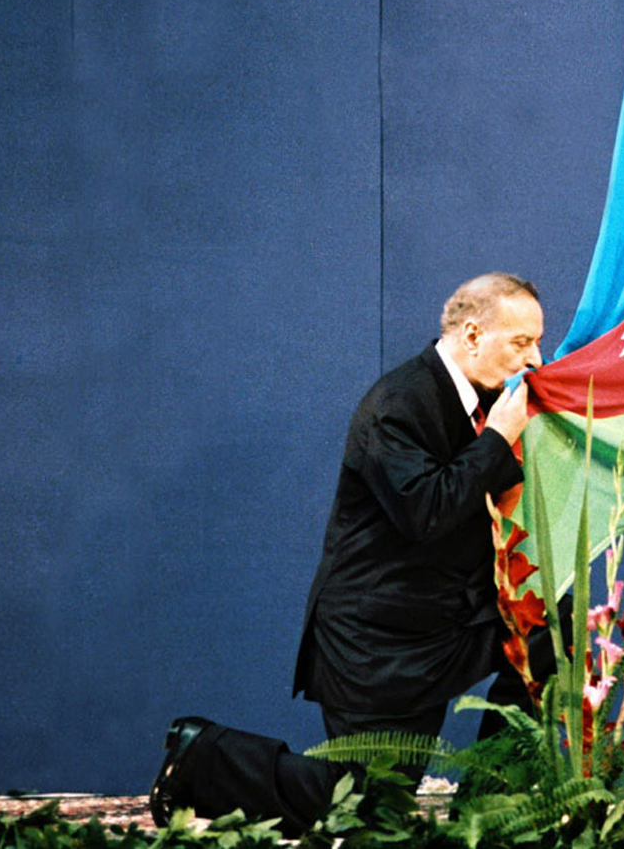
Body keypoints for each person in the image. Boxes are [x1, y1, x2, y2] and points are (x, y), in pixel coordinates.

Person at [149, 272, 547, 835]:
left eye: (536, 342)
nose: (535, 359)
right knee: (367, 806)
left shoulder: (482, 401)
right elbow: (426, 512)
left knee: (553, 627)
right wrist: (497, 440)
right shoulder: (397, 404)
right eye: (521, 343)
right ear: (474, 335)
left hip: (448, 622)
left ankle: (489, 810)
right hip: (376, 642)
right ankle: (204, 757)